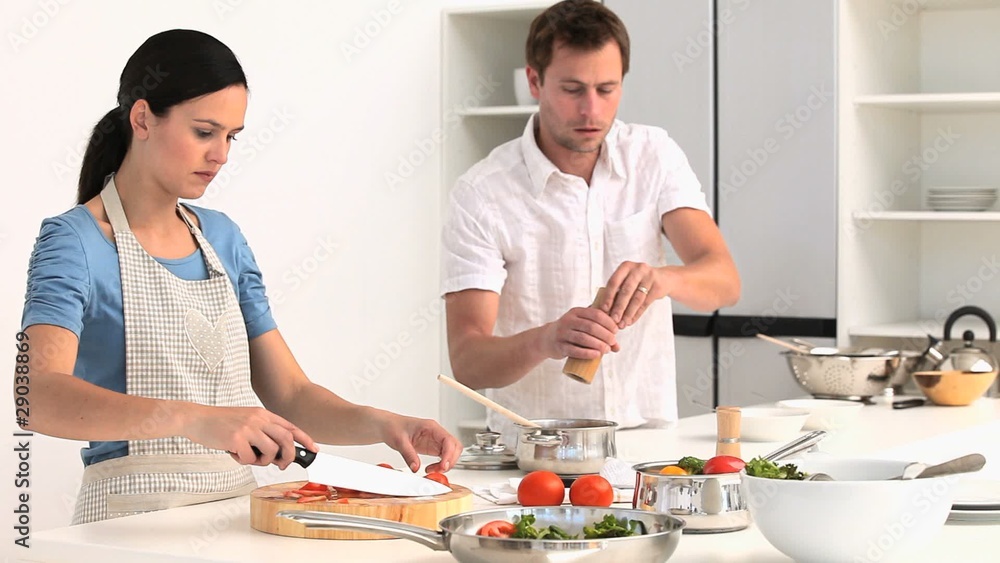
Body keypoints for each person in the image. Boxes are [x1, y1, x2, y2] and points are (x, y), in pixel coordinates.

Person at [18, 29, 461, 525]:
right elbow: (34, 395)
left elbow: (290, 395)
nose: (221, 155)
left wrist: (384, 422)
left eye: (232, 137)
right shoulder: (74, 241)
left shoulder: (223, 239)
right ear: (142, 118)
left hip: (231, 519)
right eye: (205, 132)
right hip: (127, 523)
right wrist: (191, 418)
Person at [441, 0, 740, 443]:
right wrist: (547, 340)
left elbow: (724, 281)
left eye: (606, 89)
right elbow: (468, 360)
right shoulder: (482, 193)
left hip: (645, 439)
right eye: (572, 89)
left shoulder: (653, 155)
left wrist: (664, 279)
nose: (591, 111)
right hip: (533, 445)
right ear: (534, 81)